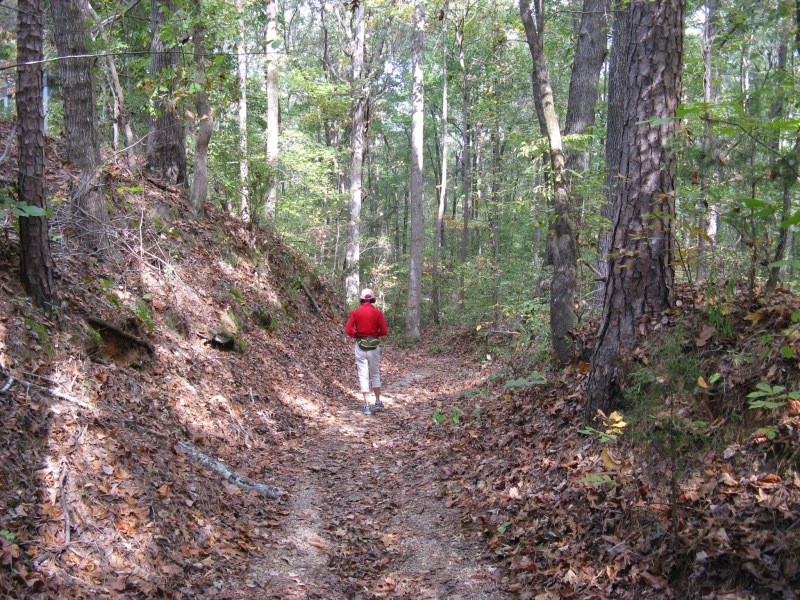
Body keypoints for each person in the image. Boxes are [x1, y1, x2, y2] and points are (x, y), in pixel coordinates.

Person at [345, 288, 389, 415]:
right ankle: (378, 402)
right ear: (372, 299)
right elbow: (384, 331)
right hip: (374, 347)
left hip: (360, 346)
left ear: (361, 299)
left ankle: (366, 406)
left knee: (363, 374)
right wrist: (375, 335)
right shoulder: (378, 313)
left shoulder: (355, 312)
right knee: (375, 373)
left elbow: (348, 330)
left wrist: (357, 335)